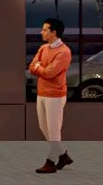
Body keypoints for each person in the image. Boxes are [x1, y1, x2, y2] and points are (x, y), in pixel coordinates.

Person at [28, 18, 72, 174]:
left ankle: (51, 161)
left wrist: (39, 67)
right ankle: (63, 155)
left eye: (45, 30)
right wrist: (40, 67)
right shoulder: (43, 48)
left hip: (55, 95)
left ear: (54, 32)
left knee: (54, 130)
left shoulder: (64, 52)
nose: (41, 32)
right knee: (43, 127)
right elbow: (31, 67)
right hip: (41, 93)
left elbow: (49, 73)